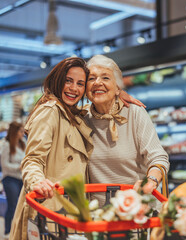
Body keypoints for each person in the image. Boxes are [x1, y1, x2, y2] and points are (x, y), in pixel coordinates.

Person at [9, 57, 94, 240]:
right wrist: (37, 181)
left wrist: (119, 95)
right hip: (48, 208)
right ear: (57, 79)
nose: (74, 88)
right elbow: (32, 159)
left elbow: (100, 106)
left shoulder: (72, 115)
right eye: (68, 80)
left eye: (80, 83)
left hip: (67, 209)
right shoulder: (50, 110)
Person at [85, 55, 170, 209]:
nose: (98, 82)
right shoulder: (81, 118)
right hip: (99, 214)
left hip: (137, 208)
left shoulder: (134, 113)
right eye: (91, 79)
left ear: (118, 87)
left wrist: (150, 181)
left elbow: (159, 157)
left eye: (105, 77)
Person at [1, 121, 26, 239]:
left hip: (21, 179)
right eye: (21, 131)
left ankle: (19, 231)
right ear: (15, 131)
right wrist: (19, 167)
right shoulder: (6, 145)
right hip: (10, 179)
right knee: (12, 205)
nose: (23, 133)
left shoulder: (23, 143)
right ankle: (7, 231)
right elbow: (4, 165)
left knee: (22, 207)